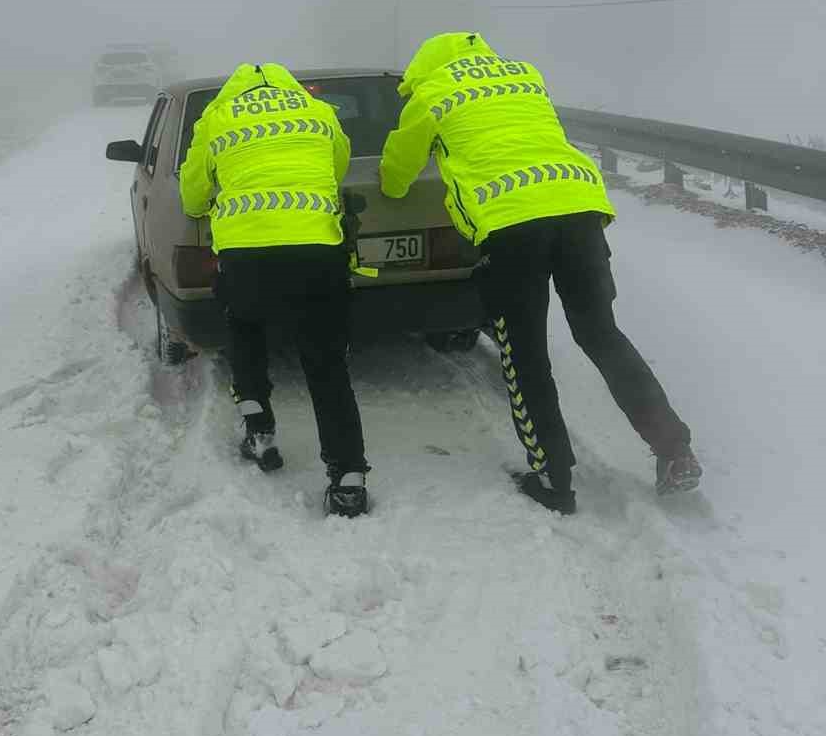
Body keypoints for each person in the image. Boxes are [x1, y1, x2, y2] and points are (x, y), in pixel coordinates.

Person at [379, 32, 701, 514]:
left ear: (424, 67)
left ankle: (554, 477)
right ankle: (675, 451)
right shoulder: (524, 76)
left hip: (511, 229)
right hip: (579, 212)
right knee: (601, 335)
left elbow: (397, 173)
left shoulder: (430, 93)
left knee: (524, 353)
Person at [180, 62, 371, 516]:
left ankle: (258, 430)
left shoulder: (218, 116)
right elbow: (338, 165)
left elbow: (192, 194)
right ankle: (348, 477)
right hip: (317, 247)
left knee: (245, 330)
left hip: (246, 252)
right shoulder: (317, 110)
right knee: (325, 362)